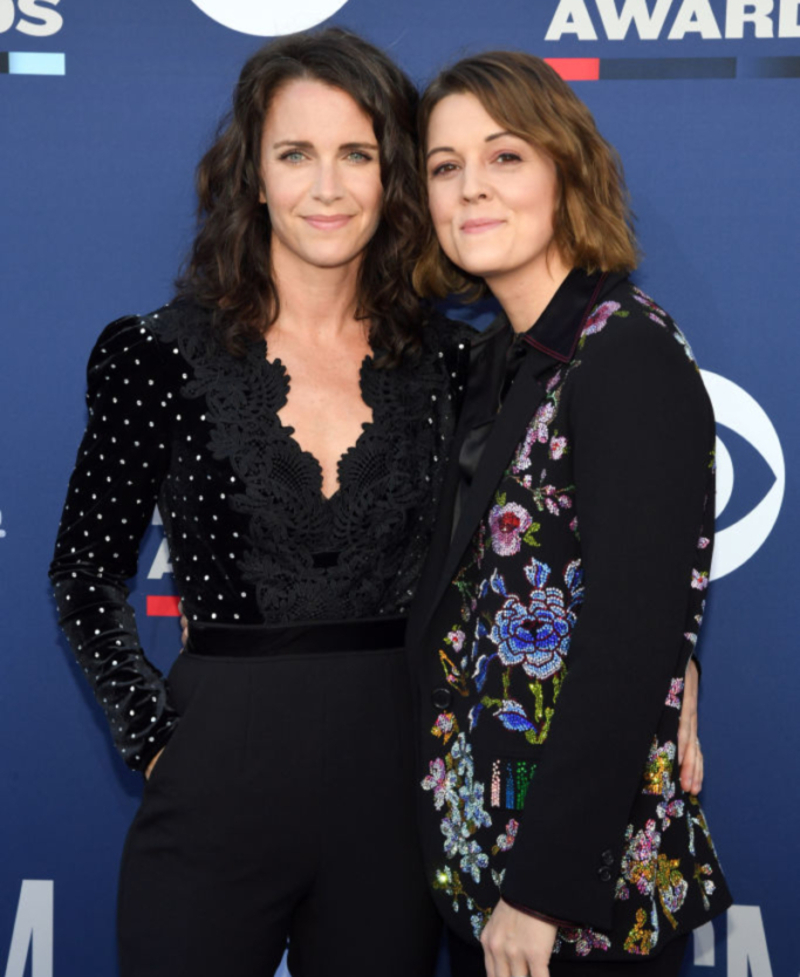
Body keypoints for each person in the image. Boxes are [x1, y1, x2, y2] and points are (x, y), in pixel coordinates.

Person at [48, 28, 471, 977]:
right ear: (252, 174)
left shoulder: (453, 362)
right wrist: (156, 740)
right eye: (296, 154)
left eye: (355, 154)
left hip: (392, 789)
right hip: (214, 777)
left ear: (393, 174)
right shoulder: (155, 355)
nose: (326, 188)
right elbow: (83, 572)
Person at [407, 51, 731, 977]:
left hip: (570, 906)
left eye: (505, 157)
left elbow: (628, 639)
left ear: (567, 170)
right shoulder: (500, 362)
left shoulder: (623, 352)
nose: (471, 188)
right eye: (443, 165)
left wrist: (539, 893)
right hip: (485, 867)